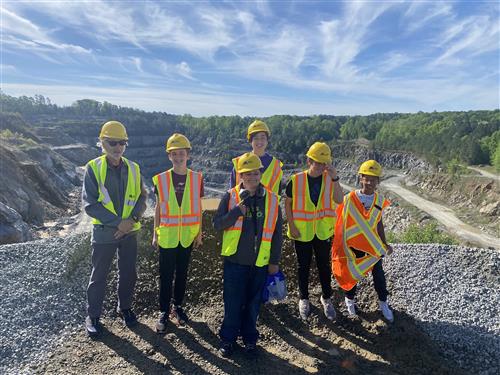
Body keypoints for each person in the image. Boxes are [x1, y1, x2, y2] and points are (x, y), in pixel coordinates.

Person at [214, 152, 282, 358]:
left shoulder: (271, 199)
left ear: (261, 173)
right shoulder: (230, 196)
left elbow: (277, 233)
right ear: (240, 175)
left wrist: (274, 261)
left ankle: (250, 339)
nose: (253, 177)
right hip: (235, 262)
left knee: (253, 304)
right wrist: (236, 211)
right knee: (233, 302)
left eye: (256, 173)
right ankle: (228, 339)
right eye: (248, 174)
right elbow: (217, 224)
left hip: (260, 263)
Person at [82, 120, 147, 337]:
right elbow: (90, 204)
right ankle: (93, 315)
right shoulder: (93, 168)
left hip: (129, 232)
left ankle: (125, 307)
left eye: (122, 143)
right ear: (102, 142)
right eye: (112, 143)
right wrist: (119, 223)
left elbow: (142, 197)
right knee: (99, 275)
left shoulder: (134, 168)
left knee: (128, 272)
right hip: (104, 233)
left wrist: (132, 219)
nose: (118, 147)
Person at [285, 142, 343, 321]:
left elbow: (339, 200)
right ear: (309, 160)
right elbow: (287, 203)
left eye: (323, 163)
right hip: (302, 232)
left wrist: (335, 178)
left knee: (324, 266)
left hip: (323, 232)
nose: (319, 166)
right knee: (303, 267)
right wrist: (292, 225)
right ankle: (303, 298)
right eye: (316, 162)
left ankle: (326, 298)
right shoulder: (296, 180)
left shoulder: (329, 179)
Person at [152, 133, 204, 333]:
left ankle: (178, 307)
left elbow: (198, 208)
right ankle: (164, 311)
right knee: (165, 275)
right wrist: (155, 233)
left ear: (188, 155)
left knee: (182, 273)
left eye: (181, 153)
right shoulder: (161, 179)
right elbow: (158, 208)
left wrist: (199, 233)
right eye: (174, 154)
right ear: (169, 156)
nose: (178, 157)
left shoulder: (197, 179)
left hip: (187, 236)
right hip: (167, 235)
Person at [331, 160, 394, 322]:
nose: (370, 182)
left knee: (379, 275)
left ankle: (383, 303)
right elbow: (341, 222)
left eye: (373, 179)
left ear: (378, 181)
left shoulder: (378, 201)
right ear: (361, 178)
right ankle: (350, 301)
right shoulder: (350, 199)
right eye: (367, 178)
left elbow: (379, 222)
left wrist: (384, 243)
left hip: (372, 246)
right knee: (354, 273)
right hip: (353, 246)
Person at [230, 120, 283, 196]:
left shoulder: (276, 166)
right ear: (250, 140)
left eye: (263, 138)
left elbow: (278, 194)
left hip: (267, 207)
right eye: (256, 138)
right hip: (241, 207)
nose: (259, 141)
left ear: (267, 140)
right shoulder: (239, 163)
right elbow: (232, 193)